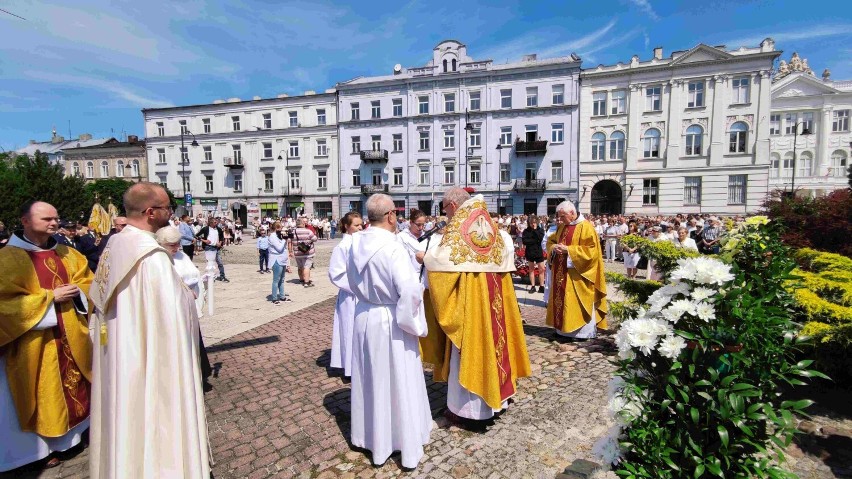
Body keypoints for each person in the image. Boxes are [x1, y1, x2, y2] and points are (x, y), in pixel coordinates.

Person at [88, 182, 209, 478]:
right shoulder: (150, 256)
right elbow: (172, 317)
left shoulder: (116, 244)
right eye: (168, 206)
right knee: (154, 410)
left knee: (127, 410)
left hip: (122, 350)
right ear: (151, 212)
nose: (172, 212)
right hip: (150, 352)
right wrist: (188, 295)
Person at [421, 188, 531, 423]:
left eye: (443, 209)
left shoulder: (459, 229)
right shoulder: (488, 224)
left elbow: (441, 264)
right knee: (495, 344)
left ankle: (469, 411)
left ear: (452, 205)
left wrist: (425, 259)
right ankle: (499, 399)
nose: (444, 215)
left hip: (472, 303)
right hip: (494, 297)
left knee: (473, 347)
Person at [0, 201, 94, 472]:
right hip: (32, 342)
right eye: (46, 219)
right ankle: (35, 452)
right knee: (39, 392)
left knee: (73, 388)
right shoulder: (7, 258)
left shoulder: (67, 253)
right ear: (25, 221)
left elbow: (88, 281)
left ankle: (71, 439)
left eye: (55, 218)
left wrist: (79, 290)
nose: (53, 223)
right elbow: (5, 304)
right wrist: (50, 298)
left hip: (71, 335)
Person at [346, 194, 431, 469]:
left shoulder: (354, 243)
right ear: (391, 216)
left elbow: (347, 278)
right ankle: (400, 440)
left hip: (364, 315)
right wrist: (415, 323)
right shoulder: (393, 248)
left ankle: (371, 436)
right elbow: (407, 291)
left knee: (372, 379)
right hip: (390, 319)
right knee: (398, 378)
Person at [155, 226, 212, 390]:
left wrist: (202, 280)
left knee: (193, 343)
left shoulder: (181, 255)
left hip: (188, 308)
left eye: (177, 243)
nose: (177, 248)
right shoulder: (158, 259)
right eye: (172, 245)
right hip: (171, 311)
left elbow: (191, 275)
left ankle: (198, 375)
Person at [545, 201, 608, 341]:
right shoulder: (562, 227)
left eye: (562, 216)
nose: (560, 220)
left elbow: (592, 252)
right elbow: (550, 241)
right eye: (559, 217)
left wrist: (569, 250)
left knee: (577, 303)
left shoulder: (586, 227)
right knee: (563, 302)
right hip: (561, 274)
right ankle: (562, 331)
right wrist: (553, 247)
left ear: (572, 213)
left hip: (579, 276)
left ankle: (582, 334)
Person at [328, 212, 363, 376]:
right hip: (351, 296)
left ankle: (361, 364)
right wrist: (357, 287)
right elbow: (336, 274)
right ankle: (350, 367)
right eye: (356, 225)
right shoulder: (341, 247)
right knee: (349, 330)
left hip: (362, 295)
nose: (360, 227)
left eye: (361, 224)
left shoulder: (361, 243)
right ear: (347, 226)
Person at [197, 217, 229, 282]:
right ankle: (210, 276)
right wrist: (204, 241)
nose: (216, 223)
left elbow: (221, 237)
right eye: (215, 222)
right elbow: (196, 236)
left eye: (216, 222)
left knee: (220, 262)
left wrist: (220, 243)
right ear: (211, 223)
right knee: (210, 263)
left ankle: (222, 276)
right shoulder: (206, 229)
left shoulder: (218, 229)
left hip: (216, 248)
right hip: (209, 247)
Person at [397, 209, 427, 277]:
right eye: (418, 225)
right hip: (409, 278)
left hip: (426, 279)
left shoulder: (427, 237)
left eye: (423, 225)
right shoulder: (401, 237)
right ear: (411, 222)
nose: (421, 228)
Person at [268, 221, 292, 304]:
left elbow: (285, 249)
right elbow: (279, 248)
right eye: (280, 228)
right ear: (276, 228)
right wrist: (284, 240)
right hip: (276, 259)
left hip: (283, 259)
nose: (281, 229)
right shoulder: (272, 236)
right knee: (276, 280)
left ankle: (282, 296)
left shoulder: (279, 236)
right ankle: (274, 298)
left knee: (282, 279)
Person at [521, 216, 546, 294]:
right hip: (530, 251)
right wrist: (535, 240)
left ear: (537, 223)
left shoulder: (540, 230)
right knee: (531, 269)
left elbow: (541, 238)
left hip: (538, 252)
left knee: (541, 269)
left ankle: (541, 286)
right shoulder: (526, 231)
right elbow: (525, 241)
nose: (533, 224)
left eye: (534, 222)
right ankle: (533, 286)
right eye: (531, 223)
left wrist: (535, 231)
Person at [292, 217, 317, 287]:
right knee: (306, 267)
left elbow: (289, 241)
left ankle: (301, 279)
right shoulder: (308, 231)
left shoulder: (293, 231)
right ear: (303, 223)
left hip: (297, 252)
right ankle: (306, 282)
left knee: (300, 267)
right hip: (307, 253)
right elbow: (315, 239)